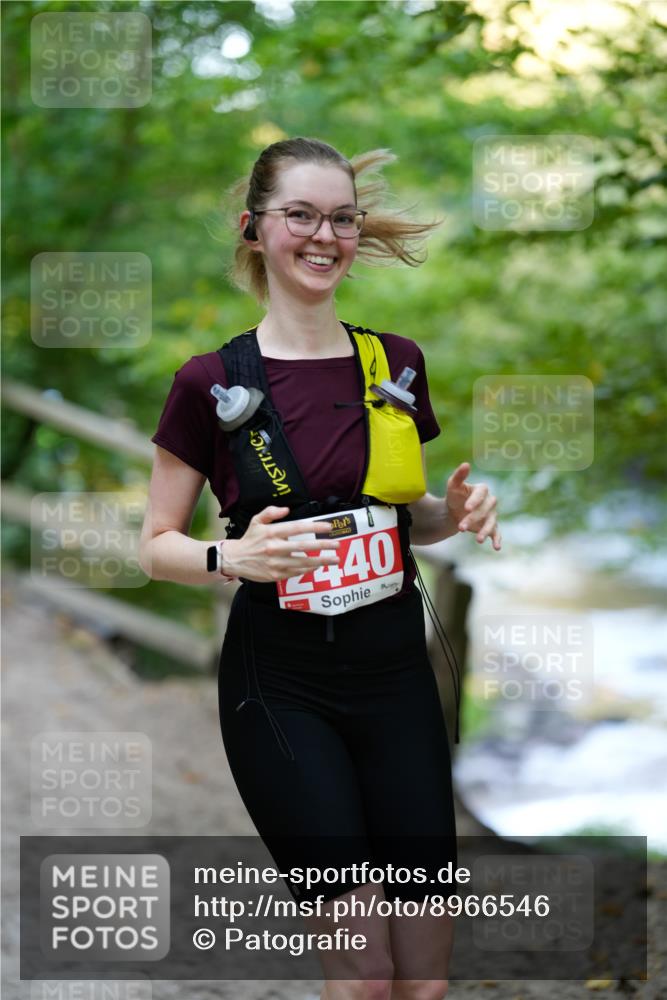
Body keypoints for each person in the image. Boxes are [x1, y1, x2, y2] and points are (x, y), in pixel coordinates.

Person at [140, 137, 501, 1000]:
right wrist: (232, 555)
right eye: (298, 214)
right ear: (254, 229)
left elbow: (405, 519)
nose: (323, 235)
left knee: (423, 982)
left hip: (396, 684)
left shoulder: (395, 363)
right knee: (365, 978)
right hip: (279, 689)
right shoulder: (209, 382)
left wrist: (456, 514)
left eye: (341, 217)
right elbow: (155, 544)